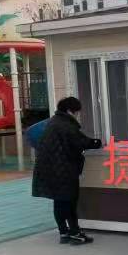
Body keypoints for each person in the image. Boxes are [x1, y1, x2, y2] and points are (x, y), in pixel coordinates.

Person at [32, 97, 102, 244]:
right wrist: (97, 143)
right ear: (70, 111)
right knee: (70, 201)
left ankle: (64, 233)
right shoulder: (66, 125)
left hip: (49, 169)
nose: (77, 115)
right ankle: (75, 233)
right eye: (77, 112)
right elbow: (80, 142)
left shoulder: (52, 122)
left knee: (59, 201)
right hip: (63, 170)